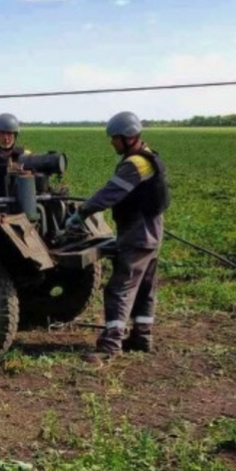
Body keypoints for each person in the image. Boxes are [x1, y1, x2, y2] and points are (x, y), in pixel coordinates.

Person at [66, 111, 170, 361]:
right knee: (145, 287)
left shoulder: (135, 164)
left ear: (128, 137)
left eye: (114, 138)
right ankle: (142, 336)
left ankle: (110, 346)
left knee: (119, 288)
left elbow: (110, 193)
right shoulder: (149, 156)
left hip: (138, 234)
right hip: (152, 231)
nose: (112, 142)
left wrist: (82, 213)